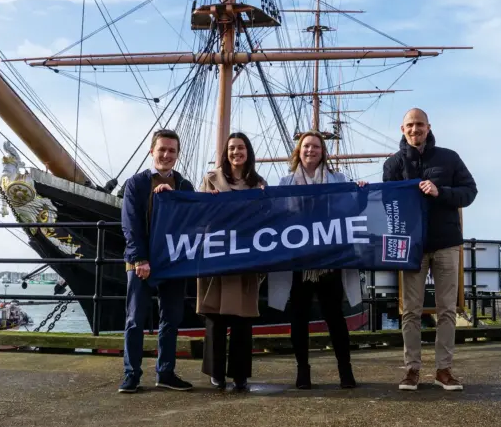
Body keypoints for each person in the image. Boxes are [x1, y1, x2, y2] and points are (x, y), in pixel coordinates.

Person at [383, 108, 477, 392]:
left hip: (446, 243)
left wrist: (441, 192)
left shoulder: (449, 158)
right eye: (410, 125)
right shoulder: (393, 164)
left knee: (447, 309)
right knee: (410, 311)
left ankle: (443, 370)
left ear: (428, 127)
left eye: (420, 124)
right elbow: (386, 203)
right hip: (412, 247)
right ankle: (411, 370)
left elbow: (469, 192)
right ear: (403, 129)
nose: (415, 129)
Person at [268, 131, 366, 389]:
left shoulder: (338, 179)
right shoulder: (286, 182)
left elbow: (352, 209)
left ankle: (345, 370)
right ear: (298, 151)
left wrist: (361, 192)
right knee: (299, 317)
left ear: (323, 152)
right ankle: (303, 370)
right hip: (299, 261)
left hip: (330, 259)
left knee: (335, 316)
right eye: (306, 146)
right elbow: (276, 215)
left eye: (316, 146)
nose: (310, 150)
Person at [119, 129, 195, 394]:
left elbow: (191, 220)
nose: (166, 154)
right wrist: (140, 258)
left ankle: (166, 372)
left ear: (177, 154)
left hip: (172, 262)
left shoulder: (184, 186)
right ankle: (131, 374)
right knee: (135, 319)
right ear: (152, 151)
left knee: (171, 319)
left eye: (172, 150)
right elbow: (130, 224)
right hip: (141, 262)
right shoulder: (136, 184)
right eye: (162, 149)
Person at [197, 132, 266, 392]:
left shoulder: (259, 184)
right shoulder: (210, 179)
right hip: (217, 256)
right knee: (215, 319)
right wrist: (209, 204)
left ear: (248, 152)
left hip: (245, 257)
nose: (236, 152)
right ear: (226, 153)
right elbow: (197, 214)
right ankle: (216, 372)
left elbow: (267, 218)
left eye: (241, 148)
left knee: (242, 320)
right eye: (232, 148)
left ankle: (240, 374)